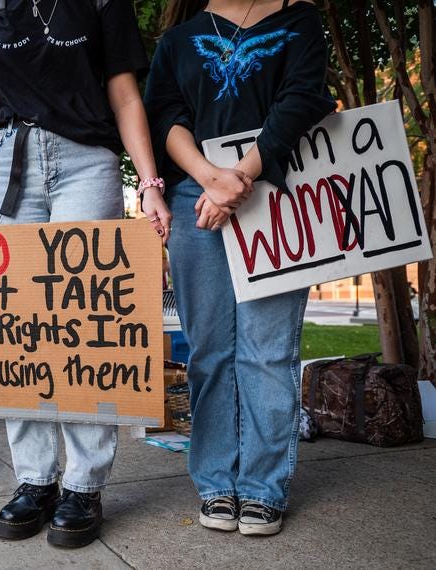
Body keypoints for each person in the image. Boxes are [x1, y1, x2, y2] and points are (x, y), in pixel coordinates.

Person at [0, 0, 170, 548]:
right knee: (15, 327)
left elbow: (124, 93)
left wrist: (149, 185)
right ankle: (34, 479)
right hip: (10, 162)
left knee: (81, 319)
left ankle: (83, 485)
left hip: (86, 159)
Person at [144, 0, 336, 536]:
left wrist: (241, 177)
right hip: (193, 201)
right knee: (208, 351)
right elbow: (164, 116)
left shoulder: (299, 21)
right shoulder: (178, 40)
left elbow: (301, 102)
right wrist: (210, 178)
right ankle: (215, 482)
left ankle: (263, 488)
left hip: (278, 196)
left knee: (268, 351)